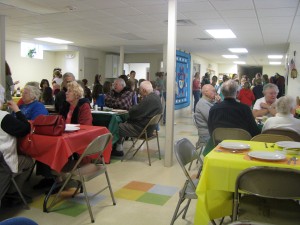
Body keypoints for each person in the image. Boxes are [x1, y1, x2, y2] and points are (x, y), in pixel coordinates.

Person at [0, 84, 33, 206]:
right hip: (4, 161)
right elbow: (26, 128)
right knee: (29, 161)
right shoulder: (4, 118)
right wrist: (17, 110)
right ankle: (12, 192)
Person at [113, 81, 163, 156]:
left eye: (140, 90)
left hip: (141, 130)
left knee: (117, 126)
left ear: (144, 90)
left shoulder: (148, 100)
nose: (139, 92)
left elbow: (134, 112)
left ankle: (117, 149)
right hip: (150, 129)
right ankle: (118, 147)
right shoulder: (156, 97)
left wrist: (132, 108)